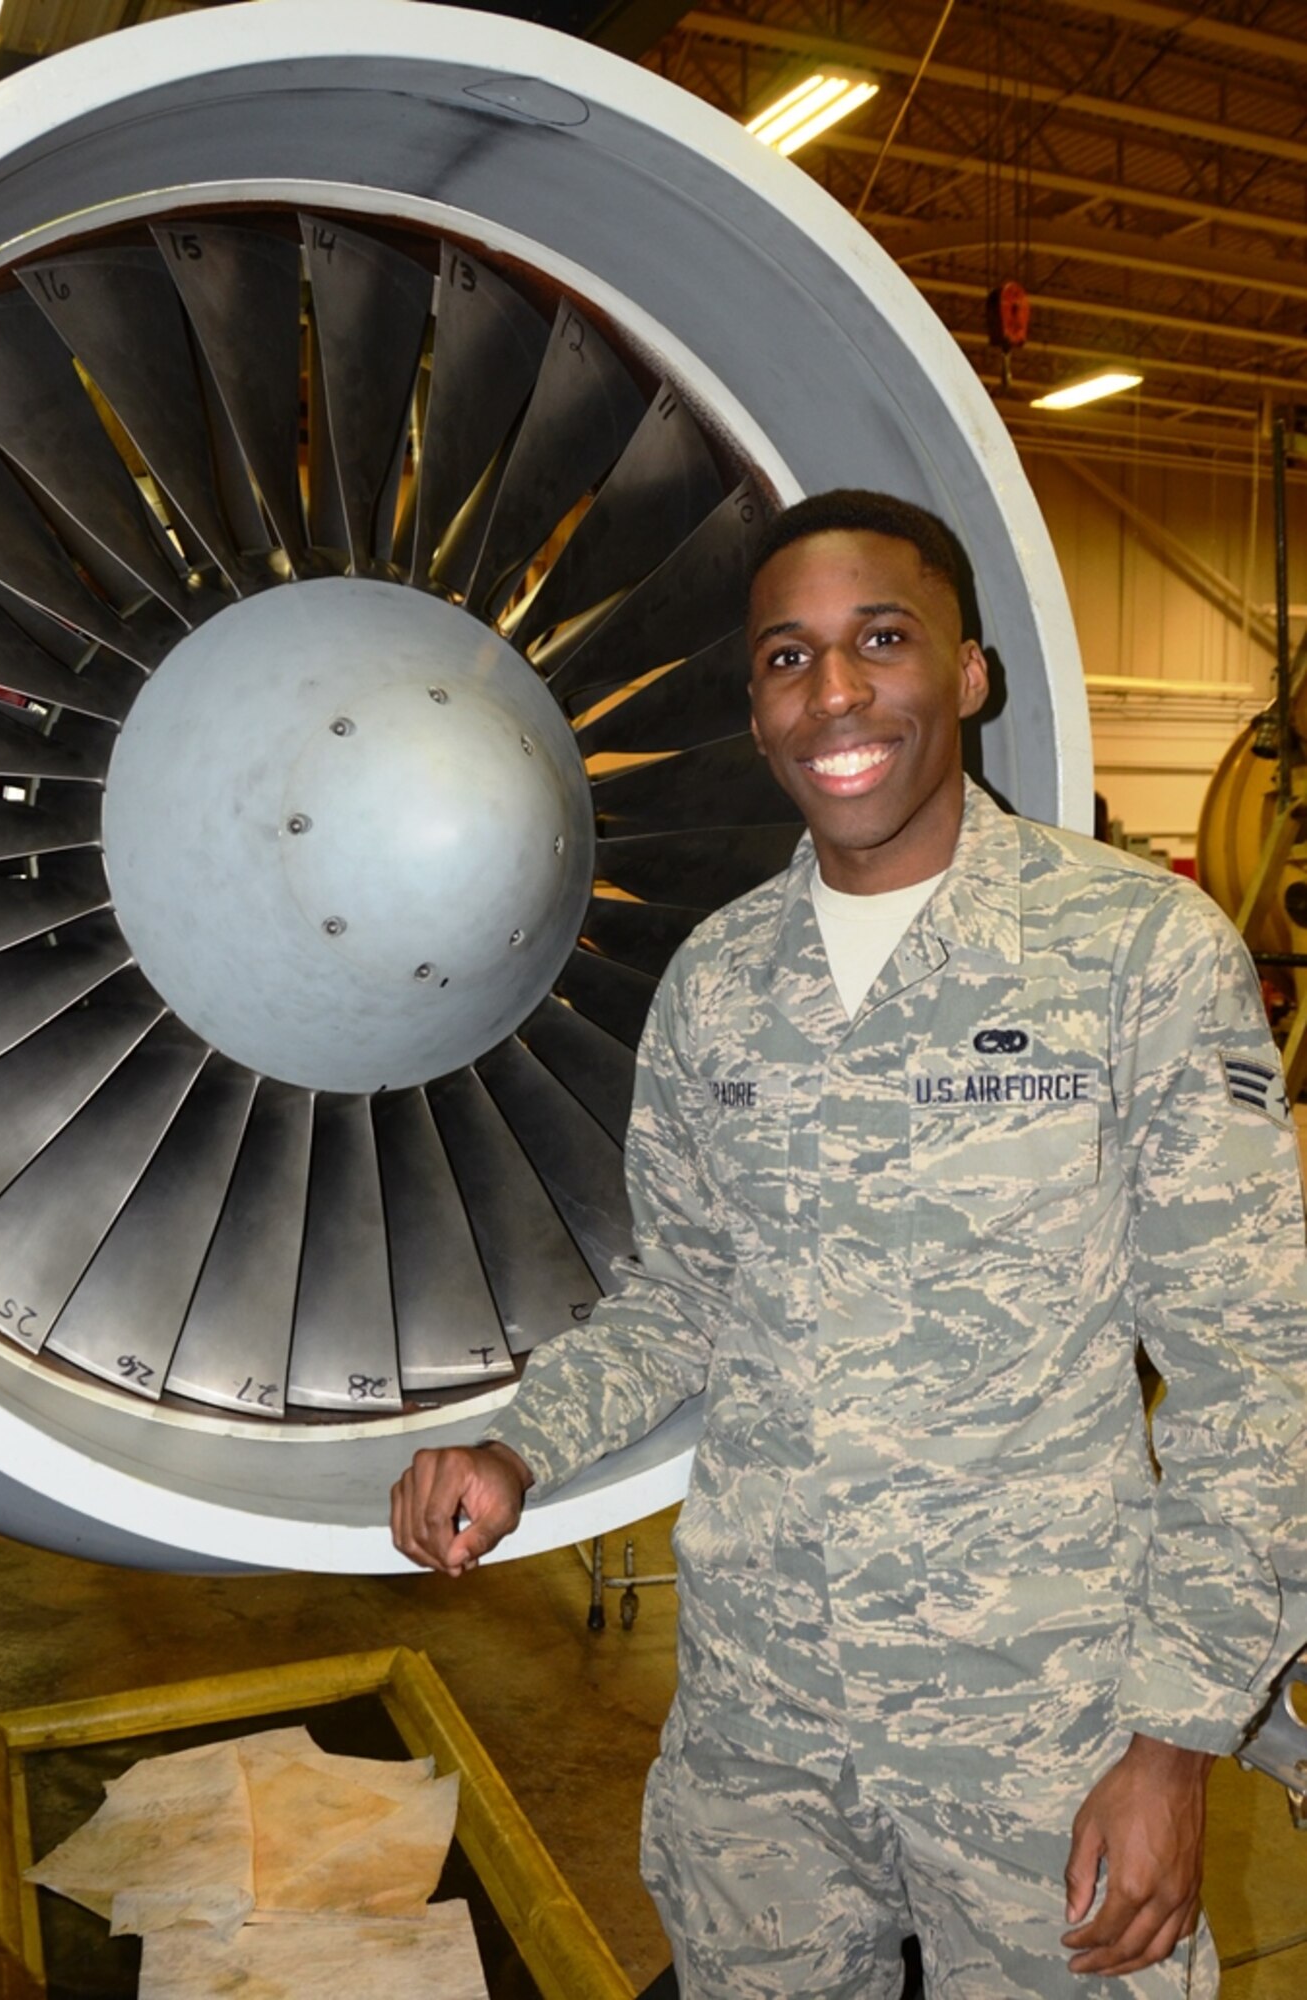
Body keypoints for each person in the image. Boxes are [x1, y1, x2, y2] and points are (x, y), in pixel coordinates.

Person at [390, 490, 1307, 1998]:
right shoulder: (716, 984)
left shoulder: (1133, 953)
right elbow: (680, 1296)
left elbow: (1253, 1381)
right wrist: (516, 1448)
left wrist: (1174, 1740)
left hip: (1040, 1733)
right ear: (753, 703)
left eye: (880, 640)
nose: (833, 695)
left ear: (965, 672)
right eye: (785, 658)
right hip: (764, 1736)